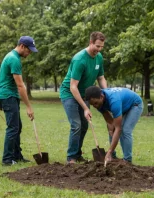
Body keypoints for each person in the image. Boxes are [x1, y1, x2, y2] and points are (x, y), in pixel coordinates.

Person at [60, 31, 107, 164]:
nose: (99, 50)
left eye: (101, 47)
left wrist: (106, 93)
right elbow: (73, 86)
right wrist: (86, 107)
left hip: (85, 94)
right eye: (97, 46)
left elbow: (101, 77)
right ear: (90, 42)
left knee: (84, 125)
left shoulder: (99, 58)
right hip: (69, 93)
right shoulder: (80, 59)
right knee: (76, 125)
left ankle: (77, 154)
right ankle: (71, 158)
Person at [0, 36, 38, 166]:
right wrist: (29, 107)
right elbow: (20, 86)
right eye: (28, 50)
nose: (29, 53)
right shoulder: (14, 60)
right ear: (22, 46)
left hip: (9, 96)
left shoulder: (12, 56)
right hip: (8, 96)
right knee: (13, 128)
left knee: (17, 126)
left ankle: (17, 155)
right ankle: (7, 160)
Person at [85, 86, 143, 163]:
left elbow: (118, 128)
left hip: (135, 105)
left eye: (95, 103)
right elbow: (109, 121)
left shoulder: (114, 101)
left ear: (102, 97)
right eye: (92, 105)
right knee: (112, 129)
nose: (95, 106)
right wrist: (111, 130)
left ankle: (127, 160)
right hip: (123, 106)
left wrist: (109, 151)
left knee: (125, 130)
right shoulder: (99, 103)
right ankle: (112, 156)